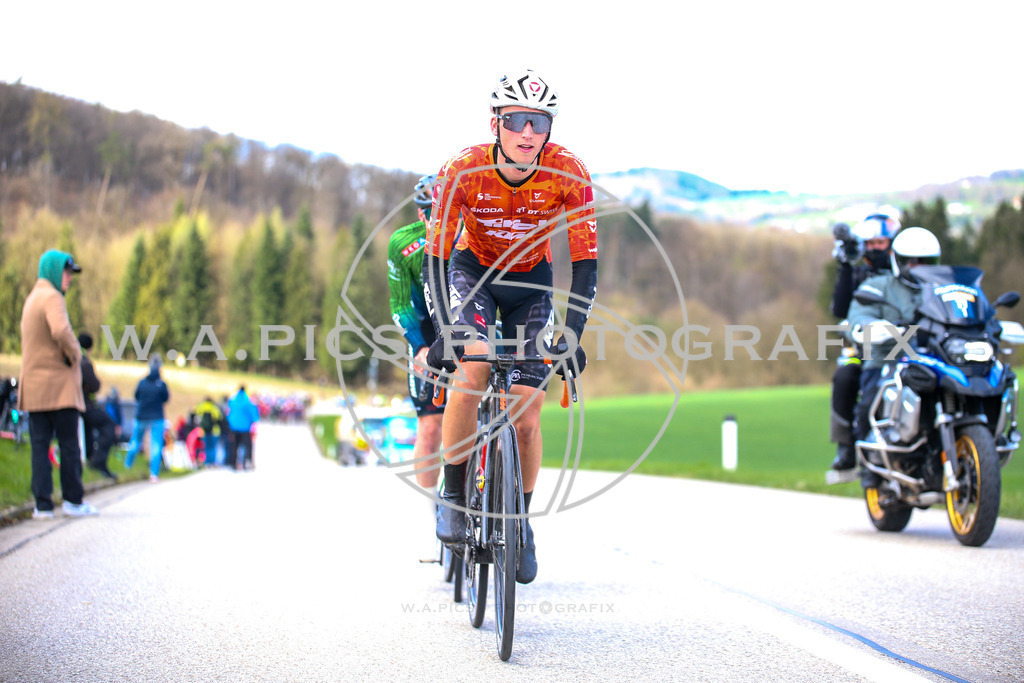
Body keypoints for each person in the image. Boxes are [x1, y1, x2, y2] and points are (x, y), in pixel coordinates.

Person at [423, 69, 598, 584]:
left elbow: (584, 263)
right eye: (517, 120)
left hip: (530, 282)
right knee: (473, 369)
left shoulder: (568, 172)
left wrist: (570, 334)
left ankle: (518, 519)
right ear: (496, 123)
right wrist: (443, 332)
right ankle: (454, 493)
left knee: (527, 409)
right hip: (472, 273)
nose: (527, 133)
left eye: (538, 122)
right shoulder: (464, 168)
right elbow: (436, 254)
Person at [846, 226, 942, 488]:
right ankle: (872, 463)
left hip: (937, 360)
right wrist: (875, 329)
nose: (917, 267)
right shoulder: (878, 286)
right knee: (869, 402)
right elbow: (859, 317)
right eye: (911, 261)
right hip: (888, 360)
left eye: (924, 262)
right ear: (898, 260)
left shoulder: (944, 289)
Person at [19, 249, 98, 518]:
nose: (70, 278)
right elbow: (61, 331)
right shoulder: (52, 297)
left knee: (40, 446)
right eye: (67, 272)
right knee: (69, 444)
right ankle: (73, 501)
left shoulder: (32, 298)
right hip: (59, 388)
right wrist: (76, 353)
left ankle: (42, 505)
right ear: (54, 270)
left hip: (35, 388)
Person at [828, 212, 900, 471]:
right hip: (863, 348)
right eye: (870, 244)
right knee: (845, 377)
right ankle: (846, 447)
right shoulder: (859, 275)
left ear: (892, 243)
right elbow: (839, 308)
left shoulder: (903, 273)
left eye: (880, 242)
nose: (875, 248)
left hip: (901, 348)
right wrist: (845, 266)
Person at [388, 174, 446, 489]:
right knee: (430, 426)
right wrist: (419, 346)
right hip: (426, 330)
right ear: (420, 214)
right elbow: (399, 305)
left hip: (470, 321)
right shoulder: (403, 244)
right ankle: (431, 508)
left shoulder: (472, 233)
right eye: (430, 213)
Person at [77, 332, 118, 480]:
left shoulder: (72, 358)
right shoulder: (84, 363)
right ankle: (98, 461)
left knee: (87, 433)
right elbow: (95, 385)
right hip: (86, 406)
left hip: (75, 406)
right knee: (108, 426)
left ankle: (90, 461)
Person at [125, 355, 170, 482]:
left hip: (142, 415)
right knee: (156, 445)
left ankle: (127, 466)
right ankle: (153, 474)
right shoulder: (161, 384)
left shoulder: (142, 382)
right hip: (157, 417)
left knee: (135, 441)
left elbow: (136, 396)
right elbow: (166, 399)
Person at [226, 385, 260, 470]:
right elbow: (255, 416)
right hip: (245, 428)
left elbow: (228, 413)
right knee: (247, 446)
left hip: (233, 428)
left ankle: (233, 464)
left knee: (234, 447)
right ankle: (247, 463)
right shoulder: (248, 401)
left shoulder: (232, 400)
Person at [193, 396, 224, 467]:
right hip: (214, 431)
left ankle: (207, 463)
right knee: (213, 447)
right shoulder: (214, 407)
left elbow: (194, 414)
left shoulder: (201, 406)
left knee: (206, 447)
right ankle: (213, 462)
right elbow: (220, 418)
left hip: (204, 431)